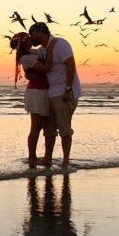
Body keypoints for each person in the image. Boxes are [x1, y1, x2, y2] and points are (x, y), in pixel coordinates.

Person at [25, 22, 81, 168]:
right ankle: (47, 159)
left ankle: (65, 161)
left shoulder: (60, 44)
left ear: (39, 32)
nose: (31, 38)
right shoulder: (43, 49)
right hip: (50, 93)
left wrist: (68, 89)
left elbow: (71, 65)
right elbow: (26, 55)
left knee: (64, 128)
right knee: (49, 129)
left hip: (64, 92)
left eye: (32, 35)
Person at [10, 32, 56, 167]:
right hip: (37, 93)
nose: (32, 38)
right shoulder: (27, 58)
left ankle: (47, 158)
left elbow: (43, 52)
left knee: (49, 127)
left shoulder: (33, 53)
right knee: (36, 127)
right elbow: (47, 68)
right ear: (25, 42)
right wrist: (52, 50)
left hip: (45, 91)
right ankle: (32, 157)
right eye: (29, 38)